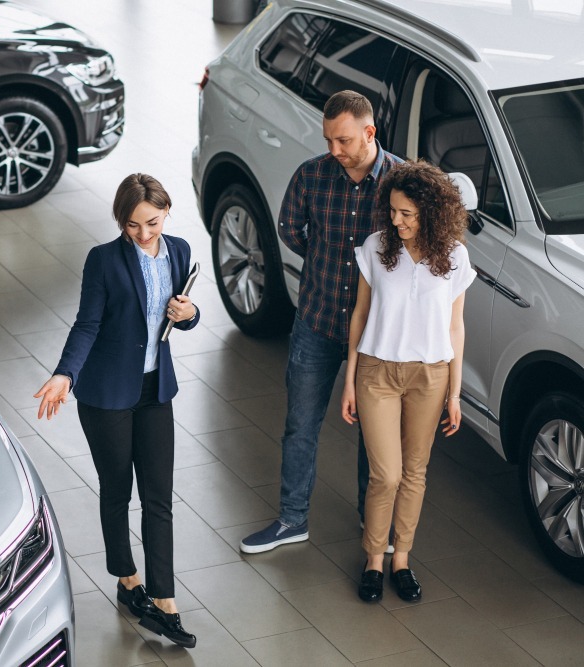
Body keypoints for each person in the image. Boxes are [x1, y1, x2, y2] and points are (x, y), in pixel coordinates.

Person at [34, 173, 199, 649]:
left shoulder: (182, 252)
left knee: (159, 496)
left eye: (151, 222)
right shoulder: (103, 260)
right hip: (106, 393)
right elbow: (87, 324)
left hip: (155, 390)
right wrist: (65, 374)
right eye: (132, 226)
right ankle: (127, 580)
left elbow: (183, 315)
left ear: (166, 210)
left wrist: (189, 317)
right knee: (116, 490)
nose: (143, 234)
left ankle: (165, 600)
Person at [240, 90, 402, 554]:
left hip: (375, 333)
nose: (334, 150)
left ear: (370, 132)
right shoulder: (311, 175)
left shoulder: (401, 182)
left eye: (344, 140)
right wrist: (326, 259)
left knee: (373, 433)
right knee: (301, 424)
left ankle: (370, 519)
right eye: (329, 139)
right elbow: (289, 229)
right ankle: (292, 520)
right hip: (317, 320)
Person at [341, 160, 474, 602]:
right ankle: (373, 560)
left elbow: (456, 328)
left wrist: (455, 394)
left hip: (430, 376)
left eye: (407, 214)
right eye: (393, 211)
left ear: (431, 214)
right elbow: (359, 315)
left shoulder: (454, 255)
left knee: (415, 473)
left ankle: (402, 560)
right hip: (377, 372)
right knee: (387, 474)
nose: (396, 221)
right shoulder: (376, 247)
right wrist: (349, 381)